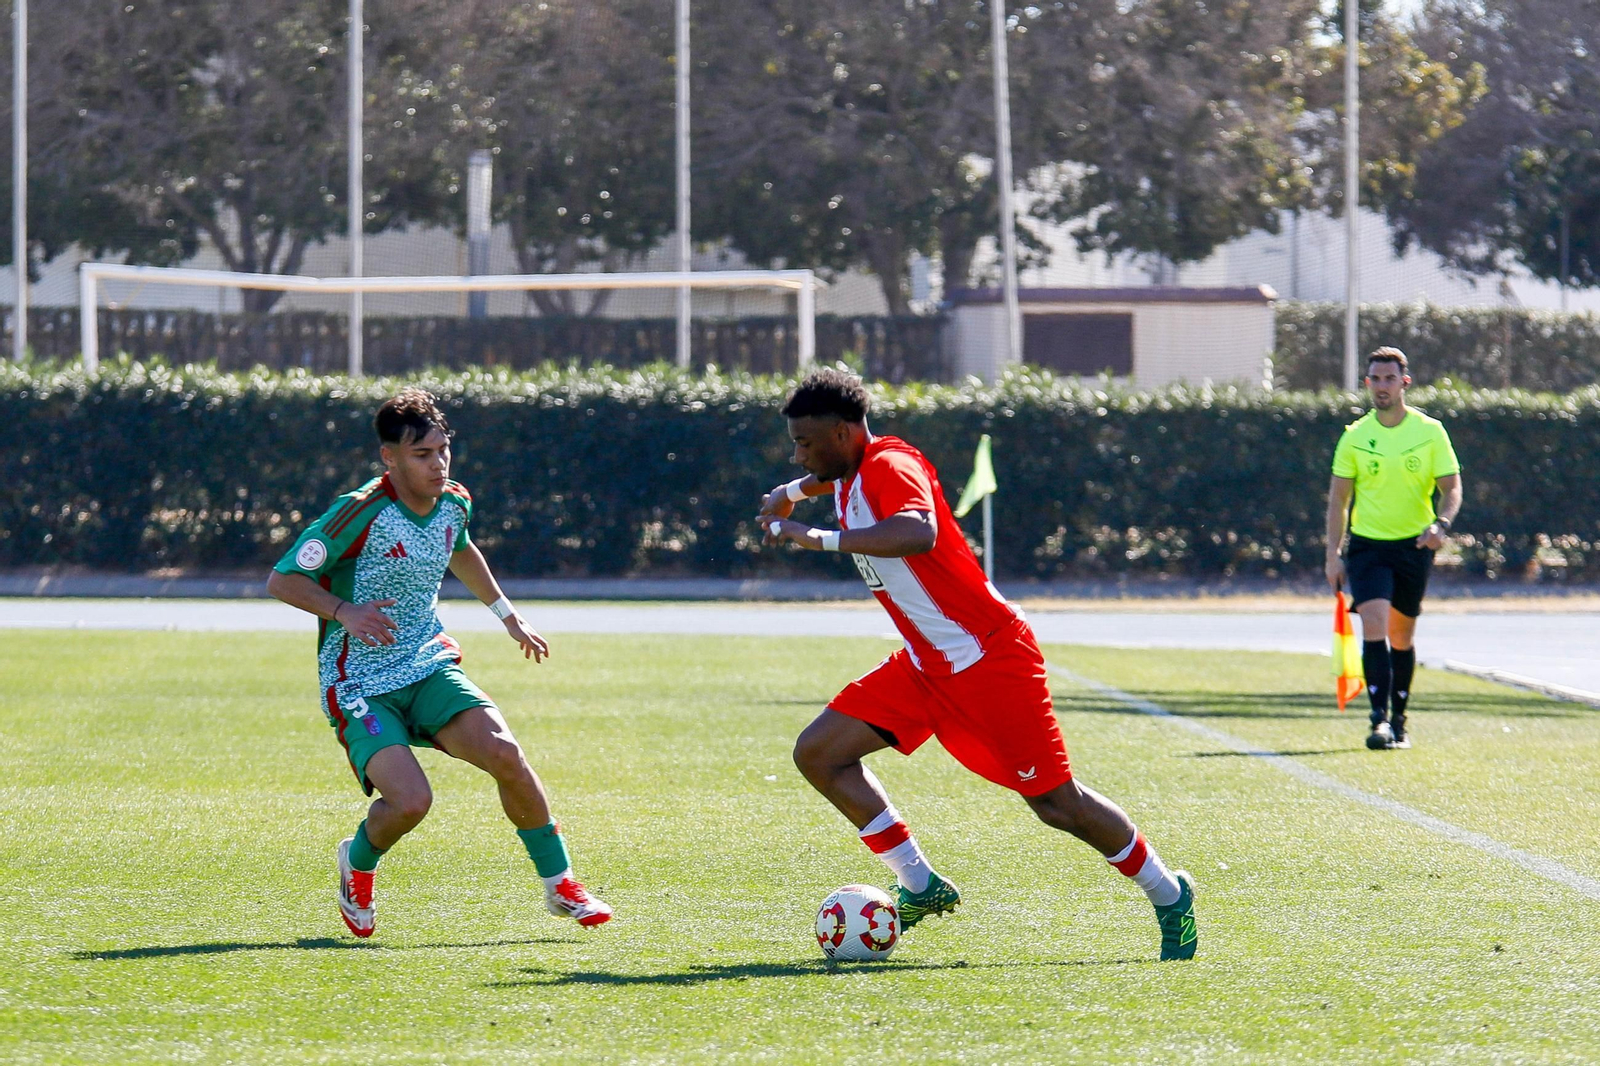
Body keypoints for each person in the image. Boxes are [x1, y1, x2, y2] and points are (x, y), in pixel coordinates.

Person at [757, 368, 1197, 961]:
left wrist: (815, 536)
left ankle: (1169, 895)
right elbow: (829, 480)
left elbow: (917, 531)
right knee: (820, 754)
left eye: (805, 441)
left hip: (990, 659)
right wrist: (793, 489)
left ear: (843, 432)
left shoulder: (889, 465)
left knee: (1056, 804)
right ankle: (920, 886)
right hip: (925, 666)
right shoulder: (849, 467)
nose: (798, 451)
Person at [266, 388, 611, 937]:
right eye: (422, 455)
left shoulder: (454, 501)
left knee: (506, 754)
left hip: (427, 664)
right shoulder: (358, 513)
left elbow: (460, 547)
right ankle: (356, 860)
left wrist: (507, 616)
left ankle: (560, 884)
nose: (438, 463)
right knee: (410, 802)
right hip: (359, 681)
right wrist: (343, 611)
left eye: (443, 450)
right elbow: (282, 579)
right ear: (390, 458)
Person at [1325, 347, 1463, 751]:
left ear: (1405, 382)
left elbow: (1451, 488)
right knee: (1374, 623)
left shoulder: (1430, 431)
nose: (1381, 386)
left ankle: (1400, 718)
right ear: (1367, 383)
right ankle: (1378, 720)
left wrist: (1441, 525)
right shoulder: (1354, 437)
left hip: (1414, 547)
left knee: (1401, 638)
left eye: (1389, 379)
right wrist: (1333, 553)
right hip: (1368, 547)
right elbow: (1339, 502)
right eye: (1374, 379)